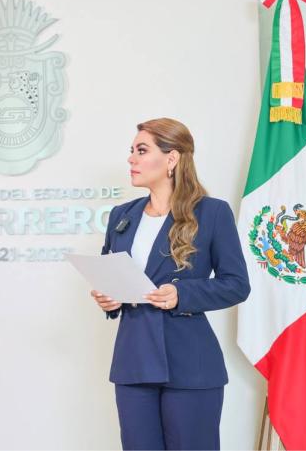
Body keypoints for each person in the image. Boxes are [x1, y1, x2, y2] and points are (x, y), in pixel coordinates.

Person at [90, 118, 250, 450]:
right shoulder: (123, 215)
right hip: (133, 363)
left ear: (171, 159)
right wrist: (110, 298)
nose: (131, 159)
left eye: (142, 150)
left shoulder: (212, 213)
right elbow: (112, 272)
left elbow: (236, 284)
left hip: (190, 364)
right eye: (131, 151)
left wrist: (183, 293)